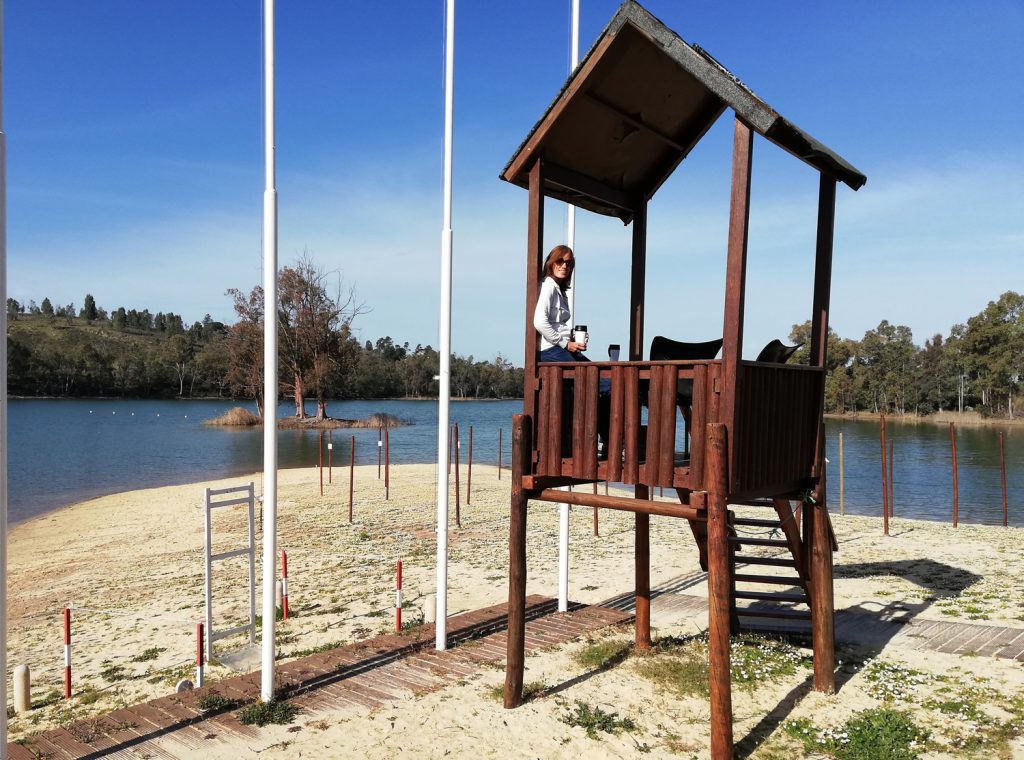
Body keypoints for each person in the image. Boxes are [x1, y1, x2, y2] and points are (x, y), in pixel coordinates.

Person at [534, 244, 587, 362]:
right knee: (593, 376)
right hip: (551, 350)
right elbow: (539, 322)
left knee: (601, 374)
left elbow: (557, 325)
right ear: (551, 263)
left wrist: (573, 338)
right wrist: (565, 344)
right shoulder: (549, 286)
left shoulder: (561, 291)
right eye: (559, 261)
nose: (564, 266)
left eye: (568, 263)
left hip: (561, 349)